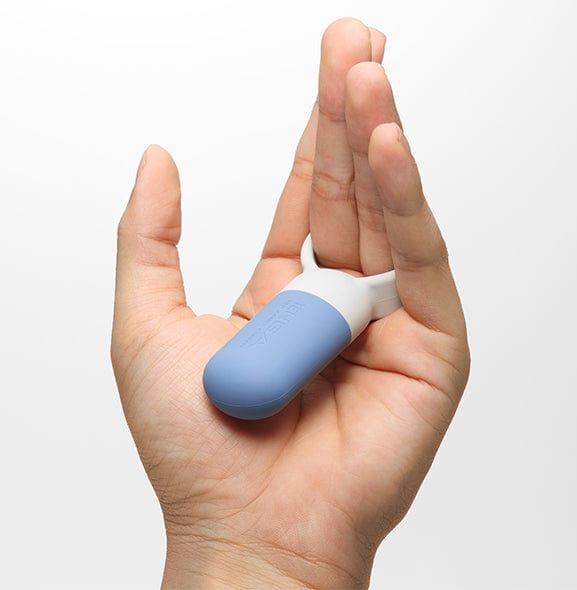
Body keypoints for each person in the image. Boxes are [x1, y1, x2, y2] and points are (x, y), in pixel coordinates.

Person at [111, 17, 470, 589]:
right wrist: (257, 555)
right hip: (333, 299)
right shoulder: (337, 301)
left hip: (333, 298)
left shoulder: (339, 302)